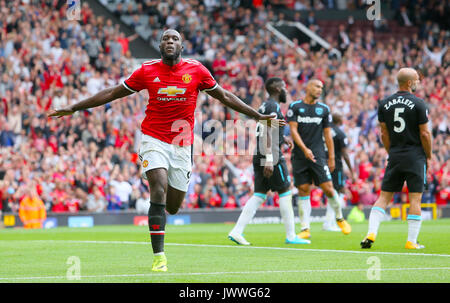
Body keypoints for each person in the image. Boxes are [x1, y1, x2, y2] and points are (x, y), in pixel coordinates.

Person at [48, 29, 283, 272]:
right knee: (158, 188)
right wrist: (74, 107)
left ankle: (158, 173)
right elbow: (112, 93)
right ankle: (159, 257)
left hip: (182, 144)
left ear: (181, 46)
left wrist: (256, 115)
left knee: (172, 207)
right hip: (153, 138)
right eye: (165, 39)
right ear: (160, 45)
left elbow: (223, 96)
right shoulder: (146, 71)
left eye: (175, 39)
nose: (169, 42)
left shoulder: (197, 70)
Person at [228, 77, 310, 246]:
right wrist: (270, 159)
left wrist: (283, 137)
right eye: (285, 87)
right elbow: (266, 130)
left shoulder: (265, 105)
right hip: (270, 155)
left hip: (259, 153)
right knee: (285, 191)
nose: (287, 91)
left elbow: (268, 128)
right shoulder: (273, 106)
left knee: (259, 194)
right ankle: (291, 235)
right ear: (278, 89)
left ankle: (236, 231)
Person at [361, 67, 432, 250]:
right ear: (409, 83)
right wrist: (429, 156)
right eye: (416, 79)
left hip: (395, 154)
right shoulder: (419, 103)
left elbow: (383, 133)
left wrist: (390, 151)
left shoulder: (384, 103)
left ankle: (371, 232)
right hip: (415, 156)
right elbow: (425, 134)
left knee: (384, 197)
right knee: (415, 199)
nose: (418, 82)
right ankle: (411, 241)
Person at [287, 79, 351, 241]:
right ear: (307, 87)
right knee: (303, 189)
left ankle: (339, 218)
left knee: (329, 188)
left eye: (321, 88)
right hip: (300, 155)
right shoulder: (295, 107)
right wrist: (304, 149)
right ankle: (305, 228)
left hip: (318, 154)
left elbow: (328, 134)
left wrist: (331, 157)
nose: (319, 90)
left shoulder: (324, 109)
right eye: (316, 86)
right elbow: (293, 131)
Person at [323, 113, 356, 231]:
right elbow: (345, 154)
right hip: (335, 165)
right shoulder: (340, 133)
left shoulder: (325, 131)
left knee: (332, 192)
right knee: (336, 191)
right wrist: (352, 171)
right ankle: (330, 222)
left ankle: (330, 221)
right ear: (339, 120)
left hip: (324, 164)